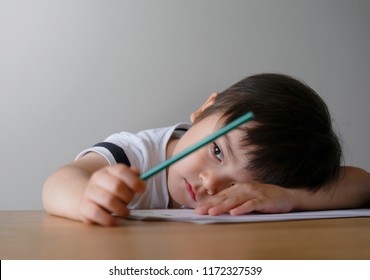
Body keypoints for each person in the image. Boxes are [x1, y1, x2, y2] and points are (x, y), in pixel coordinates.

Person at [42, 73, 370, 226]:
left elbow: (362, 184)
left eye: (235, 184)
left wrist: (290, 195)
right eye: (217, 152)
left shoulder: (272, 189)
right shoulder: (134, 154)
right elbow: (59, 181)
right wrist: (85, 196)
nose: (211, 184)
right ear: (204, 109)